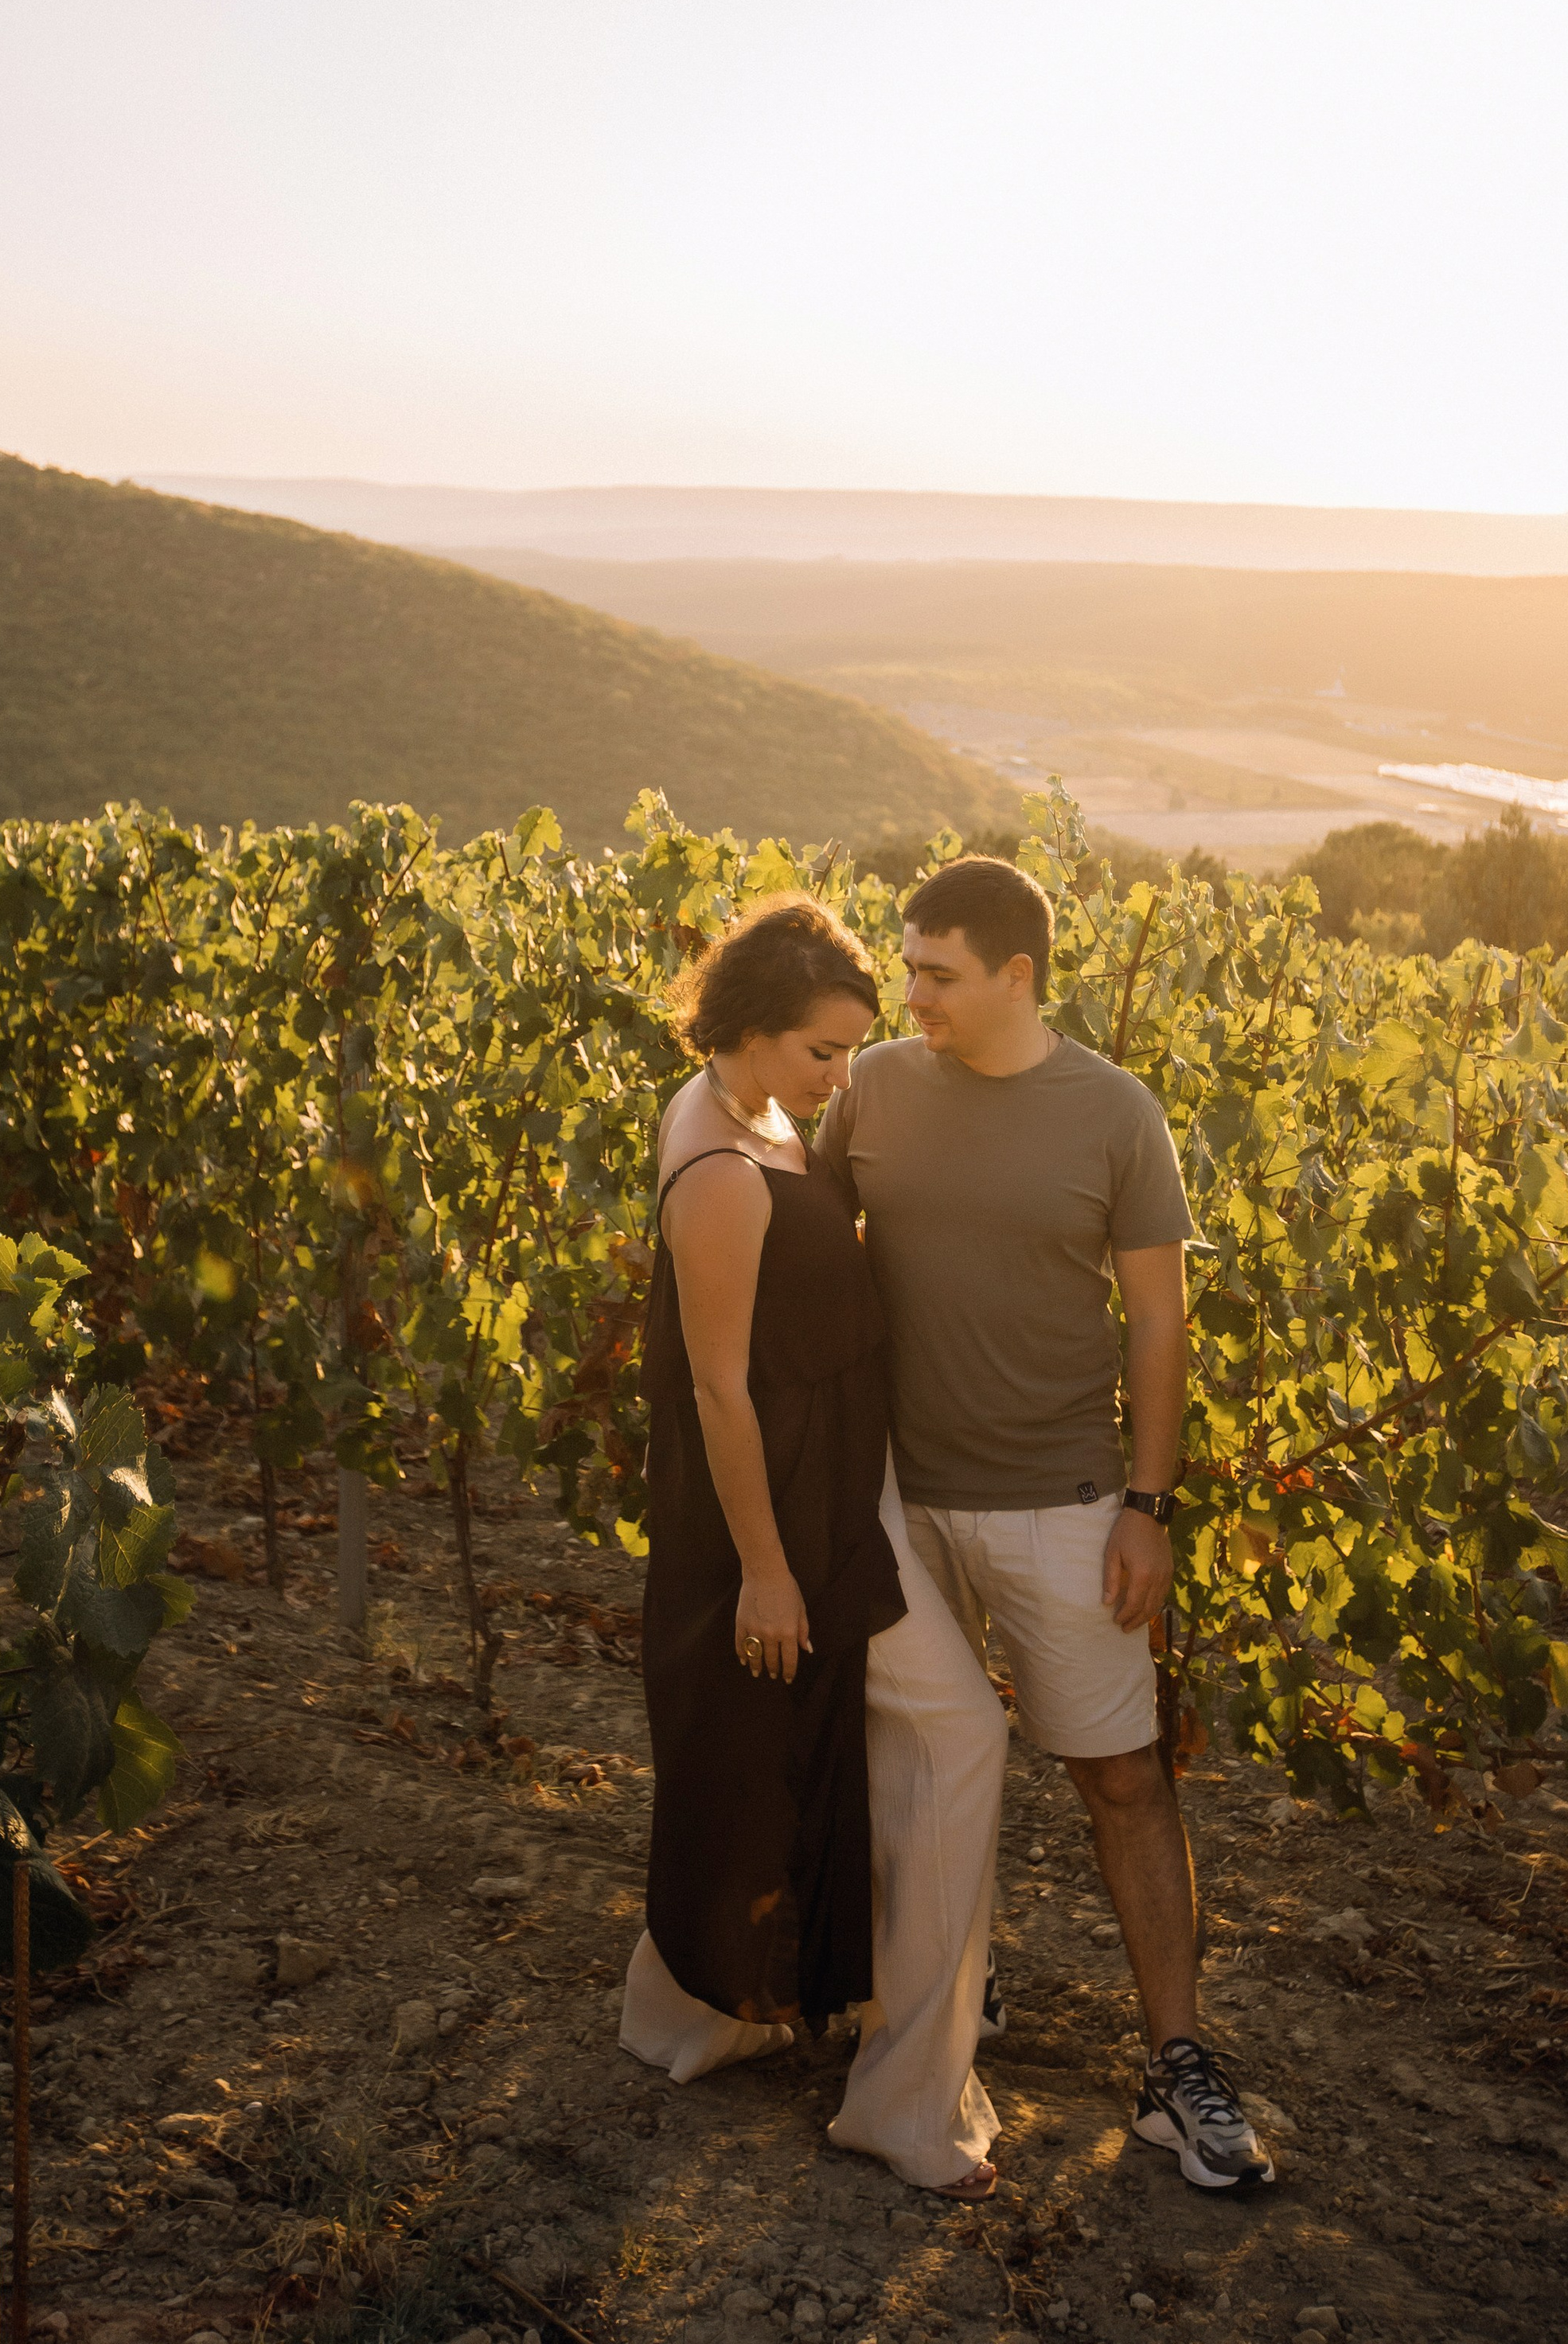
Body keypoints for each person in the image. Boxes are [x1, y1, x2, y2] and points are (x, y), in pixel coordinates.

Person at [814, 855, 1274, 2194]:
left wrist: (1148, 1505)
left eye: (937, 974)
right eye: (908, 968)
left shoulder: (1116, 1113)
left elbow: (1159, 1324)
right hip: (901, 1501)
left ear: (1017, 975)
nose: (911, 996)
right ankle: (947, 1998)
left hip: (1065, 1504)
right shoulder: (874, 1087)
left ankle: (1175, 2067)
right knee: (918, 1763)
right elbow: (802, 1245)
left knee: (1121, 1777)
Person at [618, 892, 1008, 2196]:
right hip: (802, 1516)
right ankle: (909, 2102)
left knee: (781, 1755)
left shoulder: (749, 1110)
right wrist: (771, 1575)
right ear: (747, 1028)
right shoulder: (722, 1175)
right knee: (961, 1735)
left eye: (849, 1049)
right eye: (823, 1052)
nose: (843, 1077)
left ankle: (698, 2016)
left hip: (841, 1483)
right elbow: (717, 1390)